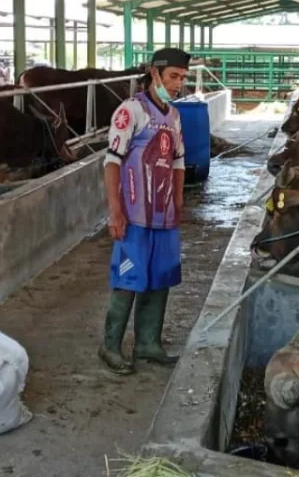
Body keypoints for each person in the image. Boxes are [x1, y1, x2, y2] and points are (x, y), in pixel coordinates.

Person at [98, 47, 189, 375]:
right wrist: (116, 211)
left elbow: (178, 161)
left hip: (163, 215)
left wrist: (178, 201)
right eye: (173, 76)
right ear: (154, 74)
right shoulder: (131, 110)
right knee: (129, 278)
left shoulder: (174, 116)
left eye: (183, 77)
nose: (178, 83)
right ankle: (110, 346)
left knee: (160, 277)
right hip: (135, 215)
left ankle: (148, 344)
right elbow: (112, 161)